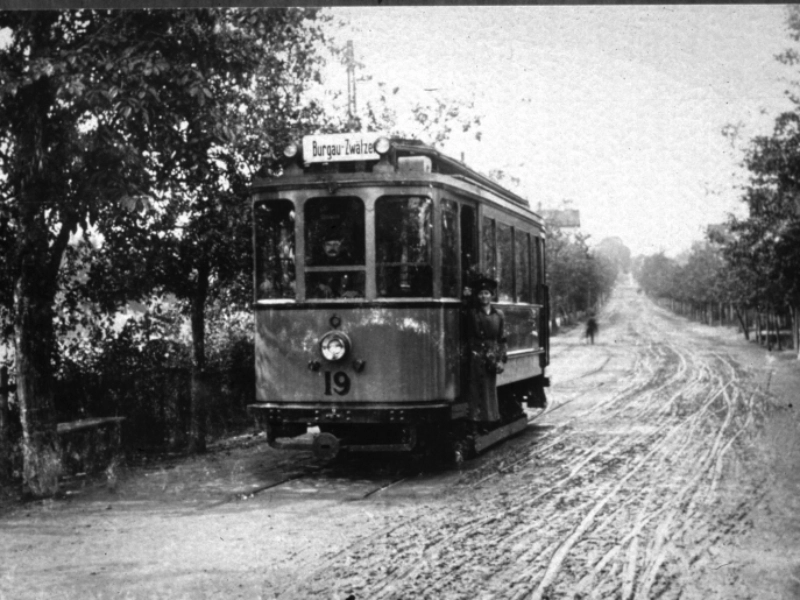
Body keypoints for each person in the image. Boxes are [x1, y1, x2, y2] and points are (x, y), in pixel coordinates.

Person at [463, 276, 507, 427]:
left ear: (492, 295)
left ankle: (490, 419)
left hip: (491, 355)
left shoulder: (498, 315)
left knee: (489, 387)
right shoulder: (473, 313)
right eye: (481, 293)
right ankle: (475, 420)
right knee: (475, 388)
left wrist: (501, 359)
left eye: (487, 293)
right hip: (476, 354)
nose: (484, 296)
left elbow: (502, 338)